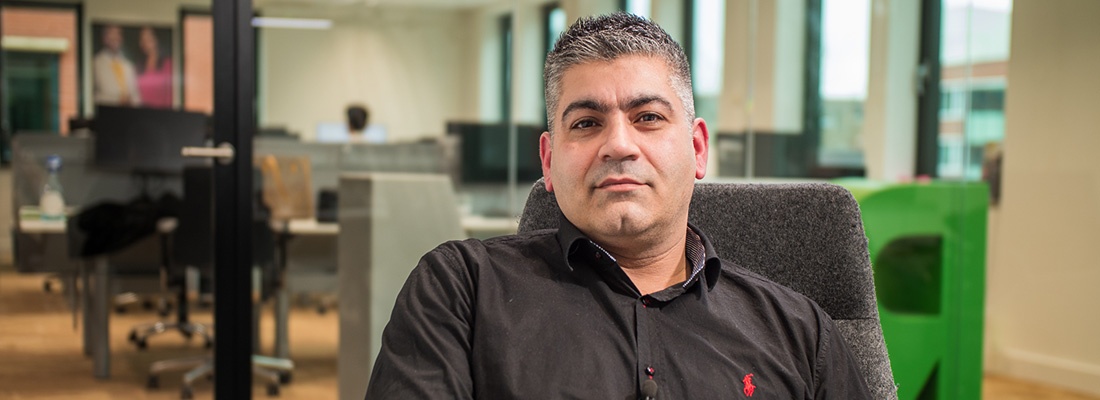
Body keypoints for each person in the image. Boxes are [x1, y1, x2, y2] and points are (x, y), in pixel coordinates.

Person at [364, 13, 872, 399]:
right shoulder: (461, 290)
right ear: (549, 161)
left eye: (648, 117)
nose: (619, 145)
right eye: (586, 123)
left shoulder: (800, 332)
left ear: (697, 149)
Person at [93, 24, 141, 106]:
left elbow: (136, 96)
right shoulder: (96, 63)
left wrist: (132, 101)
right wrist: (117, 100)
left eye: (118, 34)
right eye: (112, 33)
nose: (115, 37)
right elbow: (92, 96)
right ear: (104, 38)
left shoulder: (128, 65)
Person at [136, 26, 173, 108]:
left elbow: (170, 96)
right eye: (142, 39)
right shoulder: (138, 66)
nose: (145, 42)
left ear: (156, 40)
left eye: (148, 38)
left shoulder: (168, 64)